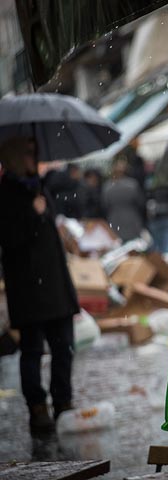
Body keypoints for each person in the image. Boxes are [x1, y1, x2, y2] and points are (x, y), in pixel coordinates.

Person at [0, 136, 79, 433]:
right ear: (14, 157)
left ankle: (63, 401)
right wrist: (32, 216)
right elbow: (9, 239)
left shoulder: (40, 185)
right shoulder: (6, 192)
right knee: (32, 350)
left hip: (55, 287)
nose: (35, 158)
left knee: (64, 348)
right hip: (29, 289)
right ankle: (37, 407)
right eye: (30, 153)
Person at [102, 157, 146, 242]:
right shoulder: (132, 184)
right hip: (132, 219)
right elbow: (140, 202)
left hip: (114, 219)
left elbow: (105, 205)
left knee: (118, 245)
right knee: (134, 245)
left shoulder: (107, 187)